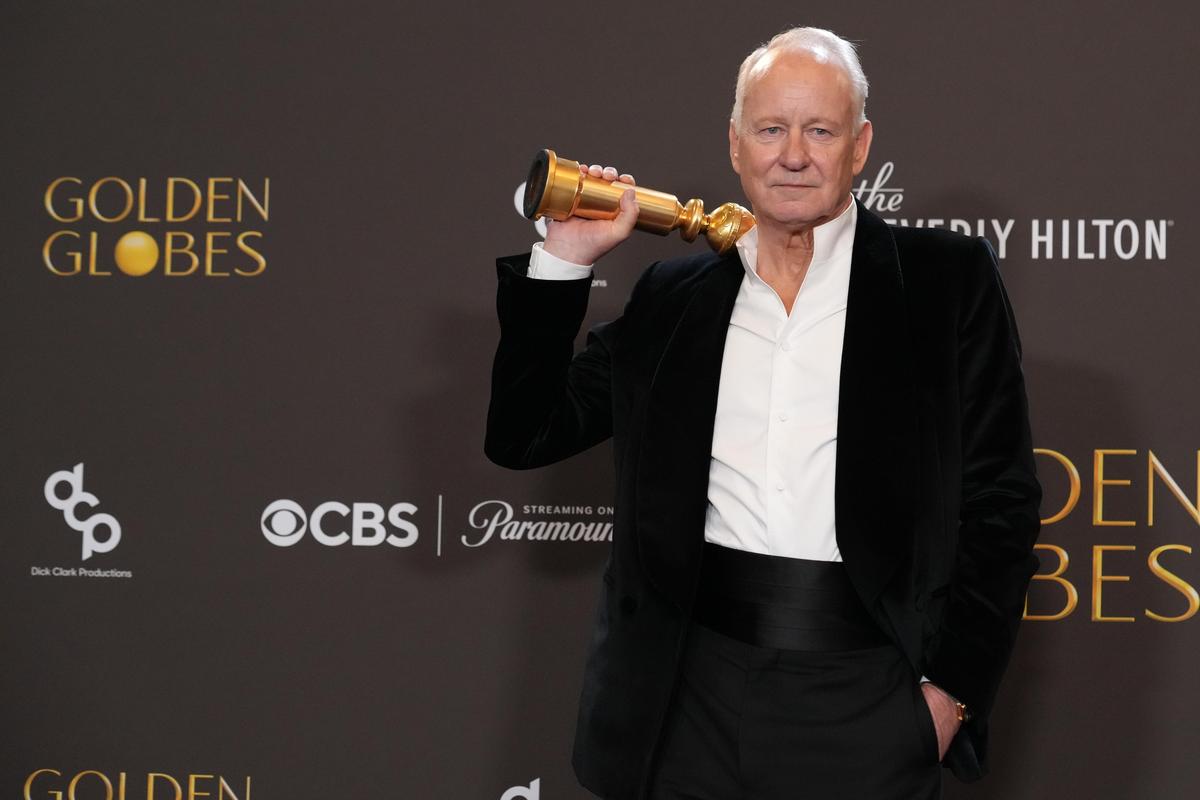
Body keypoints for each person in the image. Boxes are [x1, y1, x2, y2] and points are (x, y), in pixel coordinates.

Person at [486, 26, 1040, 800]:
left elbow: (1002, 505)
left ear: (860, 146)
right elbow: (524, 433)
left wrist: (947, 697)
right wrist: (563, 262)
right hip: (685, 697)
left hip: (869, 697)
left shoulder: (946, 283)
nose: (793, 153)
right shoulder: (673, 299)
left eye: (820, 130)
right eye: (771, 128)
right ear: (736, 144)